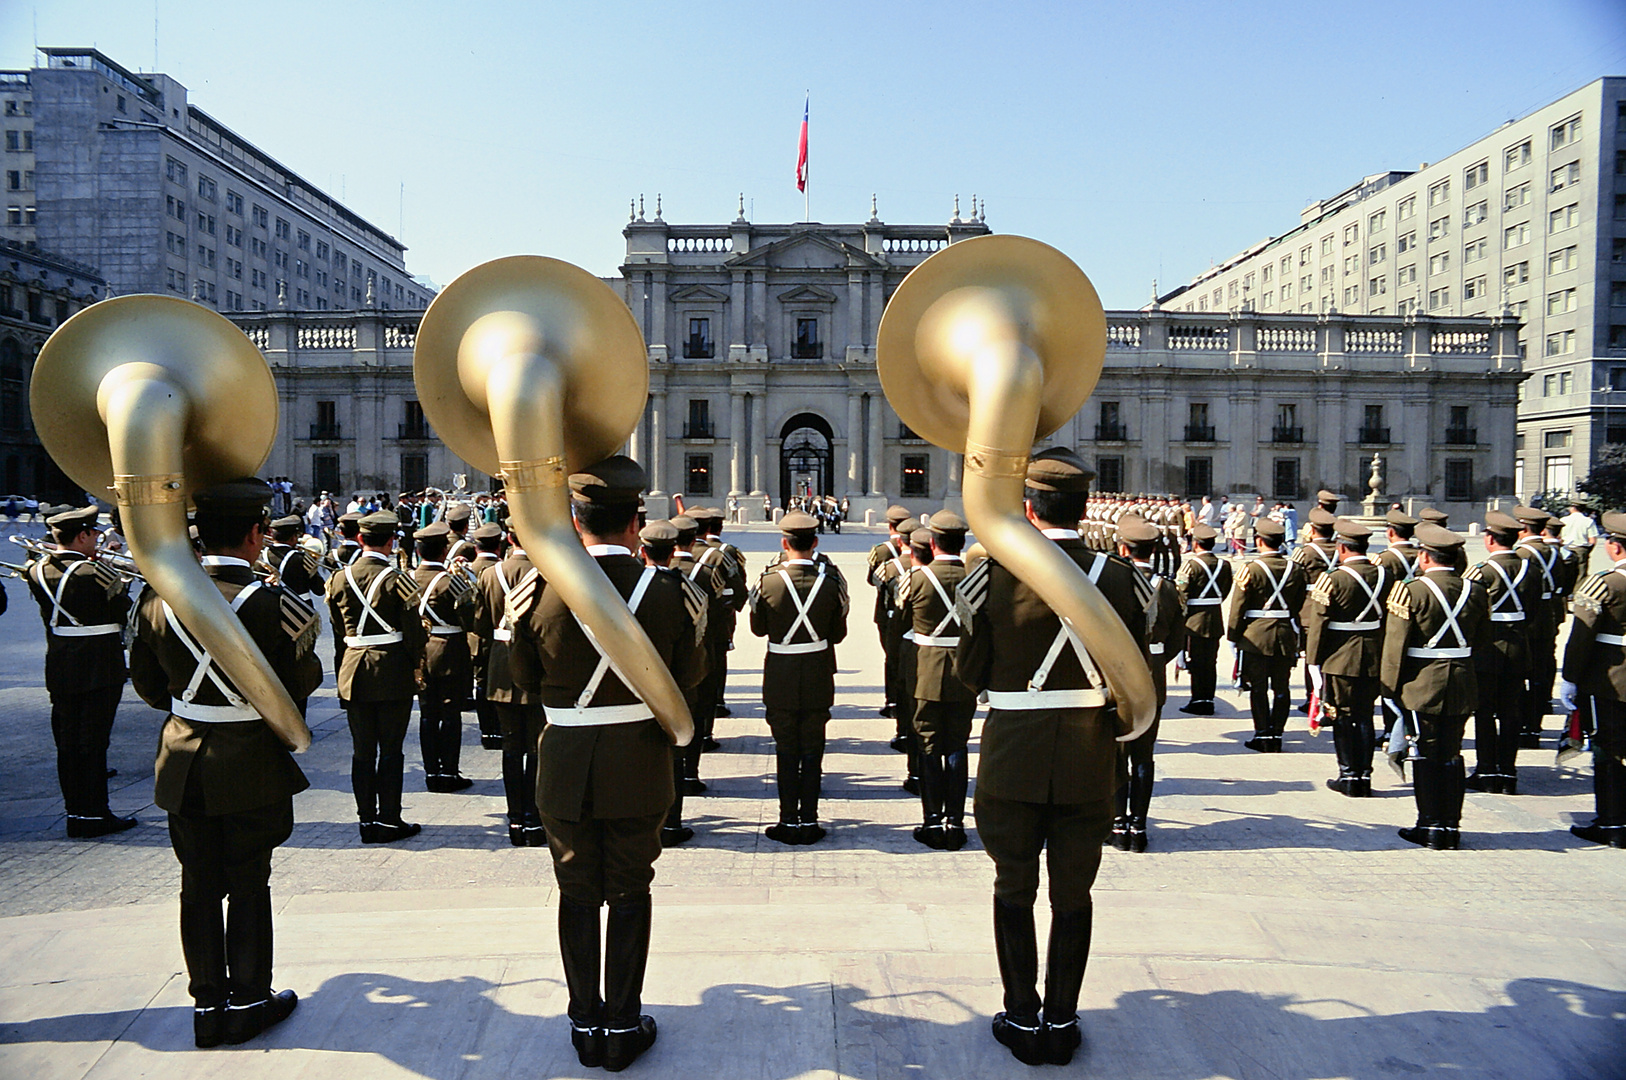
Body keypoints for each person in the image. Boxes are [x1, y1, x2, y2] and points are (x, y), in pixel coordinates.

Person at [507, 456, 708, 1071]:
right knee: (629, 889)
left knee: (574, 891)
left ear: (575, 518)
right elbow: (689, 678)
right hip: (639, 760)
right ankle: (622, 1023)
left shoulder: (536, 589)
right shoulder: (673, 592)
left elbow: (522, 679)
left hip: (565, 760)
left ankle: (583, 1019)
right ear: (635, 521)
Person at [953, 447, 1150, 1067]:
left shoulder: (991, 577)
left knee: (1013, 885)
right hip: (1091, 759)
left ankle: (1020, 1014)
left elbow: (968, 672)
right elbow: (1141, 679)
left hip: (1012, 756)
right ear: (1086, 506)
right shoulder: (1123, 580)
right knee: (1074, 893)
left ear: (1028, 509)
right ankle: (1061, 1021)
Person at [127, 478, 321, 1047]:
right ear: (257, 533)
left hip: (183, 758)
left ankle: (208, 1007)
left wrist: (195, 706)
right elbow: (299, 684)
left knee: (197, 885)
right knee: (249, 882)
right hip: (252, 763)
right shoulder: (276, 604)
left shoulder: (158, 597)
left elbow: (145, 684)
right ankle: (251, 999)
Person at [24, 504, 135, 838]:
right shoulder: (96, 573)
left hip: (61, 664)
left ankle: (77, 812)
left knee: (68, 742)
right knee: (93, 743)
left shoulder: (36, 570)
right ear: (83, 534)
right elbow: (122, 610)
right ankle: (95, 815)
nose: (98, 540)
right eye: (94, 534)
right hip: (100, 665)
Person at [1380, 523, 1489, 850]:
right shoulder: (1476, 590)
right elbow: (1482, 643)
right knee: (1452, 754)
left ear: (1425, 556)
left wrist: (1389, 689)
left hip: (1420, 683)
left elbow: (1395, 647)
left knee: (1425, 754)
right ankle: (1451, 826)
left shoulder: (1410, 590)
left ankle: (1429, 825)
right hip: (1461, 681)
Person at [325, 510, 427, 843]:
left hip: (353, 670)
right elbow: (414, 634)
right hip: (392, 670)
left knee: (362, 751)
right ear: (391, 541)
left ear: (359, 539)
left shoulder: (338, 578)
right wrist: (415, 665)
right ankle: (389, 819)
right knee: (392, 750)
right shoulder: (398, 579)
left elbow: (338, 630)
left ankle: (366, 820)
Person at [750, 509, 849, 845]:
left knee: (785, 749)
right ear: (815, 543)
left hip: (780, 674)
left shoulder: (767, 582)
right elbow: (838, 634)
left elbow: (758, 628)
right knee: (813, 749)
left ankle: (787, 819)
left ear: (784, 543)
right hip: (819, 672)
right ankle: (809, 819)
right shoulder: (833, 582)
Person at [464, 522, 545, 846]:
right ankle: (535, 819)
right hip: (538, 665)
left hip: (501, 665)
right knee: (538, 748)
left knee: (512, 749)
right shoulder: (546, 572)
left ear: (508, 539)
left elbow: (481, 625)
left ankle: (514, 820)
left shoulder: (489, 575)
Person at [901, 510, 975, 851]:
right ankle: (956, 822)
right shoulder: (976, 578)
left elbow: (900, 621)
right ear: (963, 543)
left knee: (928, 745)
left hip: (926, 670)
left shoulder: (916, 579)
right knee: (958, 743)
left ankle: (932, 821)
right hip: (964, 671)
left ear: (932, 542)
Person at [1110, 514, 1182, 852]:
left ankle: (1117, 822)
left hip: (1118, 673)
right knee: (1143, 756)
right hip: (1152, 676)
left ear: (1123, 547)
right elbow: (1178, 639)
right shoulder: (1167, 587)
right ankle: (1138, 826)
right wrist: (1154, 662)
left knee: (1115, 752)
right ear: (1153, 551)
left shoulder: (1115, 582)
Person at [1302, 518, 1387, 796]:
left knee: (1343, 717)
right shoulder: (1384, 575)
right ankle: (1365, 775)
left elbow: (1319, 624)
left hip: (1340, 657)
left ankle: (1349, 775)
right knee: (1364, 716)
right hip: (1374, 655)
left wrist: (1313, 661)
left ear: (1342, 547)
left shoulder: (1332, 579)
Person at [1558, 511, 1626, 847]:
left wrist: (1571, 677)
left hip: (1609, 679)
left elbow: (1581, 638)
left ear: (1615, 548)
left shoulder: (1604, 583)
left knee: (1608, 750)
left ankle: (1612, 822)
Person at [1463, 512, 1541, 795]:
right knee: (1511, 712)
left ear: (1490, 539)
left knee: (1484, 711)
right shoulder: (1531, 570)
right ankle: (1508, 772)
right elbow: (1533, 610)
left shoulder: (1481, 571)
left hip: (1487, 648)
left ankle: (1486, 770)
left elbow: (1468, 612)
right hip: (1519, 644)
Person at [1227, 518, 1306, 752]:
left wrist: (1234, 635)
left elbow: (1238, 606)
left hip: (1256, 637)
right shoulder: (1296, 569)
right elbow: (1298, 604)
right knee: (1282, 688)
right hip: (1283, 634)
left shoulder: (1251, 569)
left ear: (1259, 541)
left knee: (1259, 688)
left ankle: (1262, 733)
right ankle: (1277, 734)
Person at [412, 521, 475, 793]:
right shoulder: (452, 582)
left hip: (421, 651)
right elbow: (472, 619)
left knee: (427, 713)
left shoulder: (407, 577)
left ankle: (431, 772)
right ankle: (449, 772)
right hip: (450, 649)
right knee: (450, 713)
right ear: (443, 551)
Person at [1513, 506, 1563, 748]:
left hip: (1528, 616)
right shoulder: (1555, 552)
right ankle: (1536, 724)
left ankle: (1525, 724)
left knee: (1523, 672)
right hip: (1549, 614)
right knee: (1541, 673)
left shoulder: (1523, 554)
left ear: (1524, 528)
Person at [1176, 523, 1231, 715]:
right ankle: (1208, 698)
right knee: (1210, 662)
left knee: (1197, 662)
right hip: (1214, 617)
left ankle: (1199, 700)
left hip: (1194, 620)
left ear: (1197, 544)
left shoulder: (1190, 565)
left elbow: (1182, 594)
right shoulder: (1224, 565)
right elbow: (1225, 591)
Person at [1291, 508, 1341, 712]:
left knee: (1311, 655)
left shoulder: (1304, 552)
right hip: (1337, 607)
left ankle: (1313, 698)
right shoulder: (1341, 550)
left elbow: (1292, 579)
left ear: (1312, 529)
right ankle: (1330, 698)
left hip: (1309, 609)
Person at [867, 505, 912, 722]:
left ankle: (892, 700)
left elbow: (872, 580)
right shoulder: (922, 547)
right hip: (913, 612)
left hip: (888, 611)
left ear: (890, 525)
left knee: (892, 657)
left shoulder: (881, 551)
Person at [464, 521, 506, 752]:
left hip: (476, 636)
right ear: (498, 546)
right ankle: (499, 727)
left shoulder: (467, 568)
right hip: (501, 637)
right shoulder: (502, 568)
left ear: (476, 547)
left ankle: (487, 729)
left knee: (480, 682)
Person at [260, 515, 323, 599]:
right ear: (293, 537)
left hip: (270, 607)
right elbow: (320, 590)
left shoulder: (260, 557)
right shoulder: (302, 559)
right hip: (300, 608)